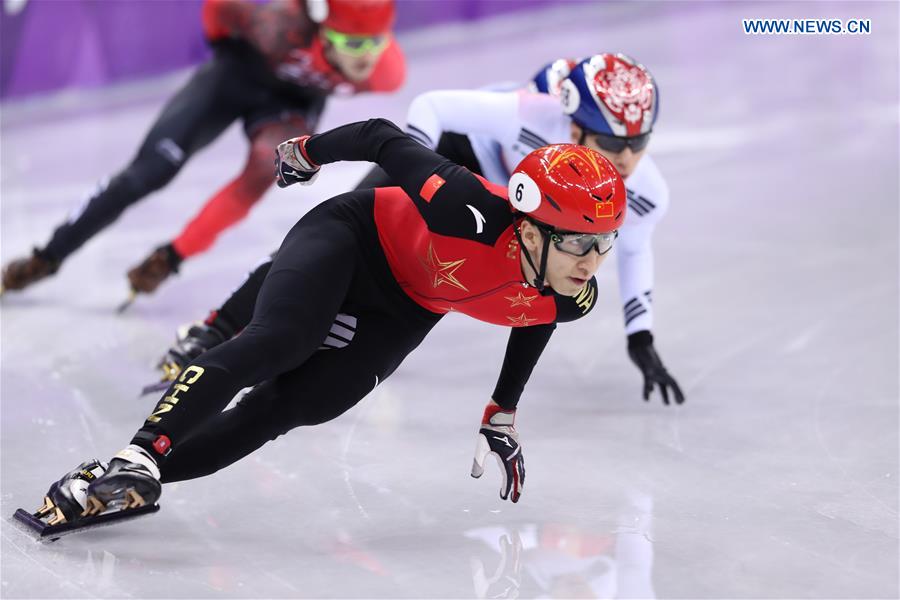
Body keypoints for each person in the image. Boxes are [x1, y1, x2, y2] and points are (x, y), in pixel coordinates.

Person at [27, 117, 625, 530]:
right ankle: (141, 452)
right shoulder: (462, 206)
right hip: (352, 236)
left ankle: (119, 484)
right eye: (579, 245)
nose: (592, 264)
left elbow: (537, 316)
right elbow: (382, 138)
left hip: (407, 304)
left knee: (297, 406)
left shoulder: (573, 292)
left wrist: (503, 410)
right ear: (526, 228)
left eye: (605, 244)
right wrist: (305, 154)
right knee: (282, 341)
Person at [162, 53, 685, 406]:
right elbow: (430, 107)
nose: (627, 161)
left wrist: (640, 337)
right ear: (572, 128)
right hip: (458, 157)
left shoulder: (644, 190)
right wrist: (415, 174)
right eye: (613, 146)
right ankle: (216, 327)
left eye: (640, 145)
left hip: (515, 208)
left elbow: (635, 248)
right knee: (331, 230)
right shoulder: (529, 114)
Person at [1, 0, 403, 297]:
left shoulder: (387, 73)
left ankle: (169, 258)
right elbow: (217, 13)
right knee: (150, 172)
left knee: (268, 168)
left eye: (374, 43)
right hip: (233, 78)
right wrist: (228, 52)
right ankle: (48, 256)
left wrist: (173, 256)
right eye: (350, 45)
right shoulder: (274, 21)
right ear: (321, 27)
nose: (365, 58)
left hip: (290, 104)